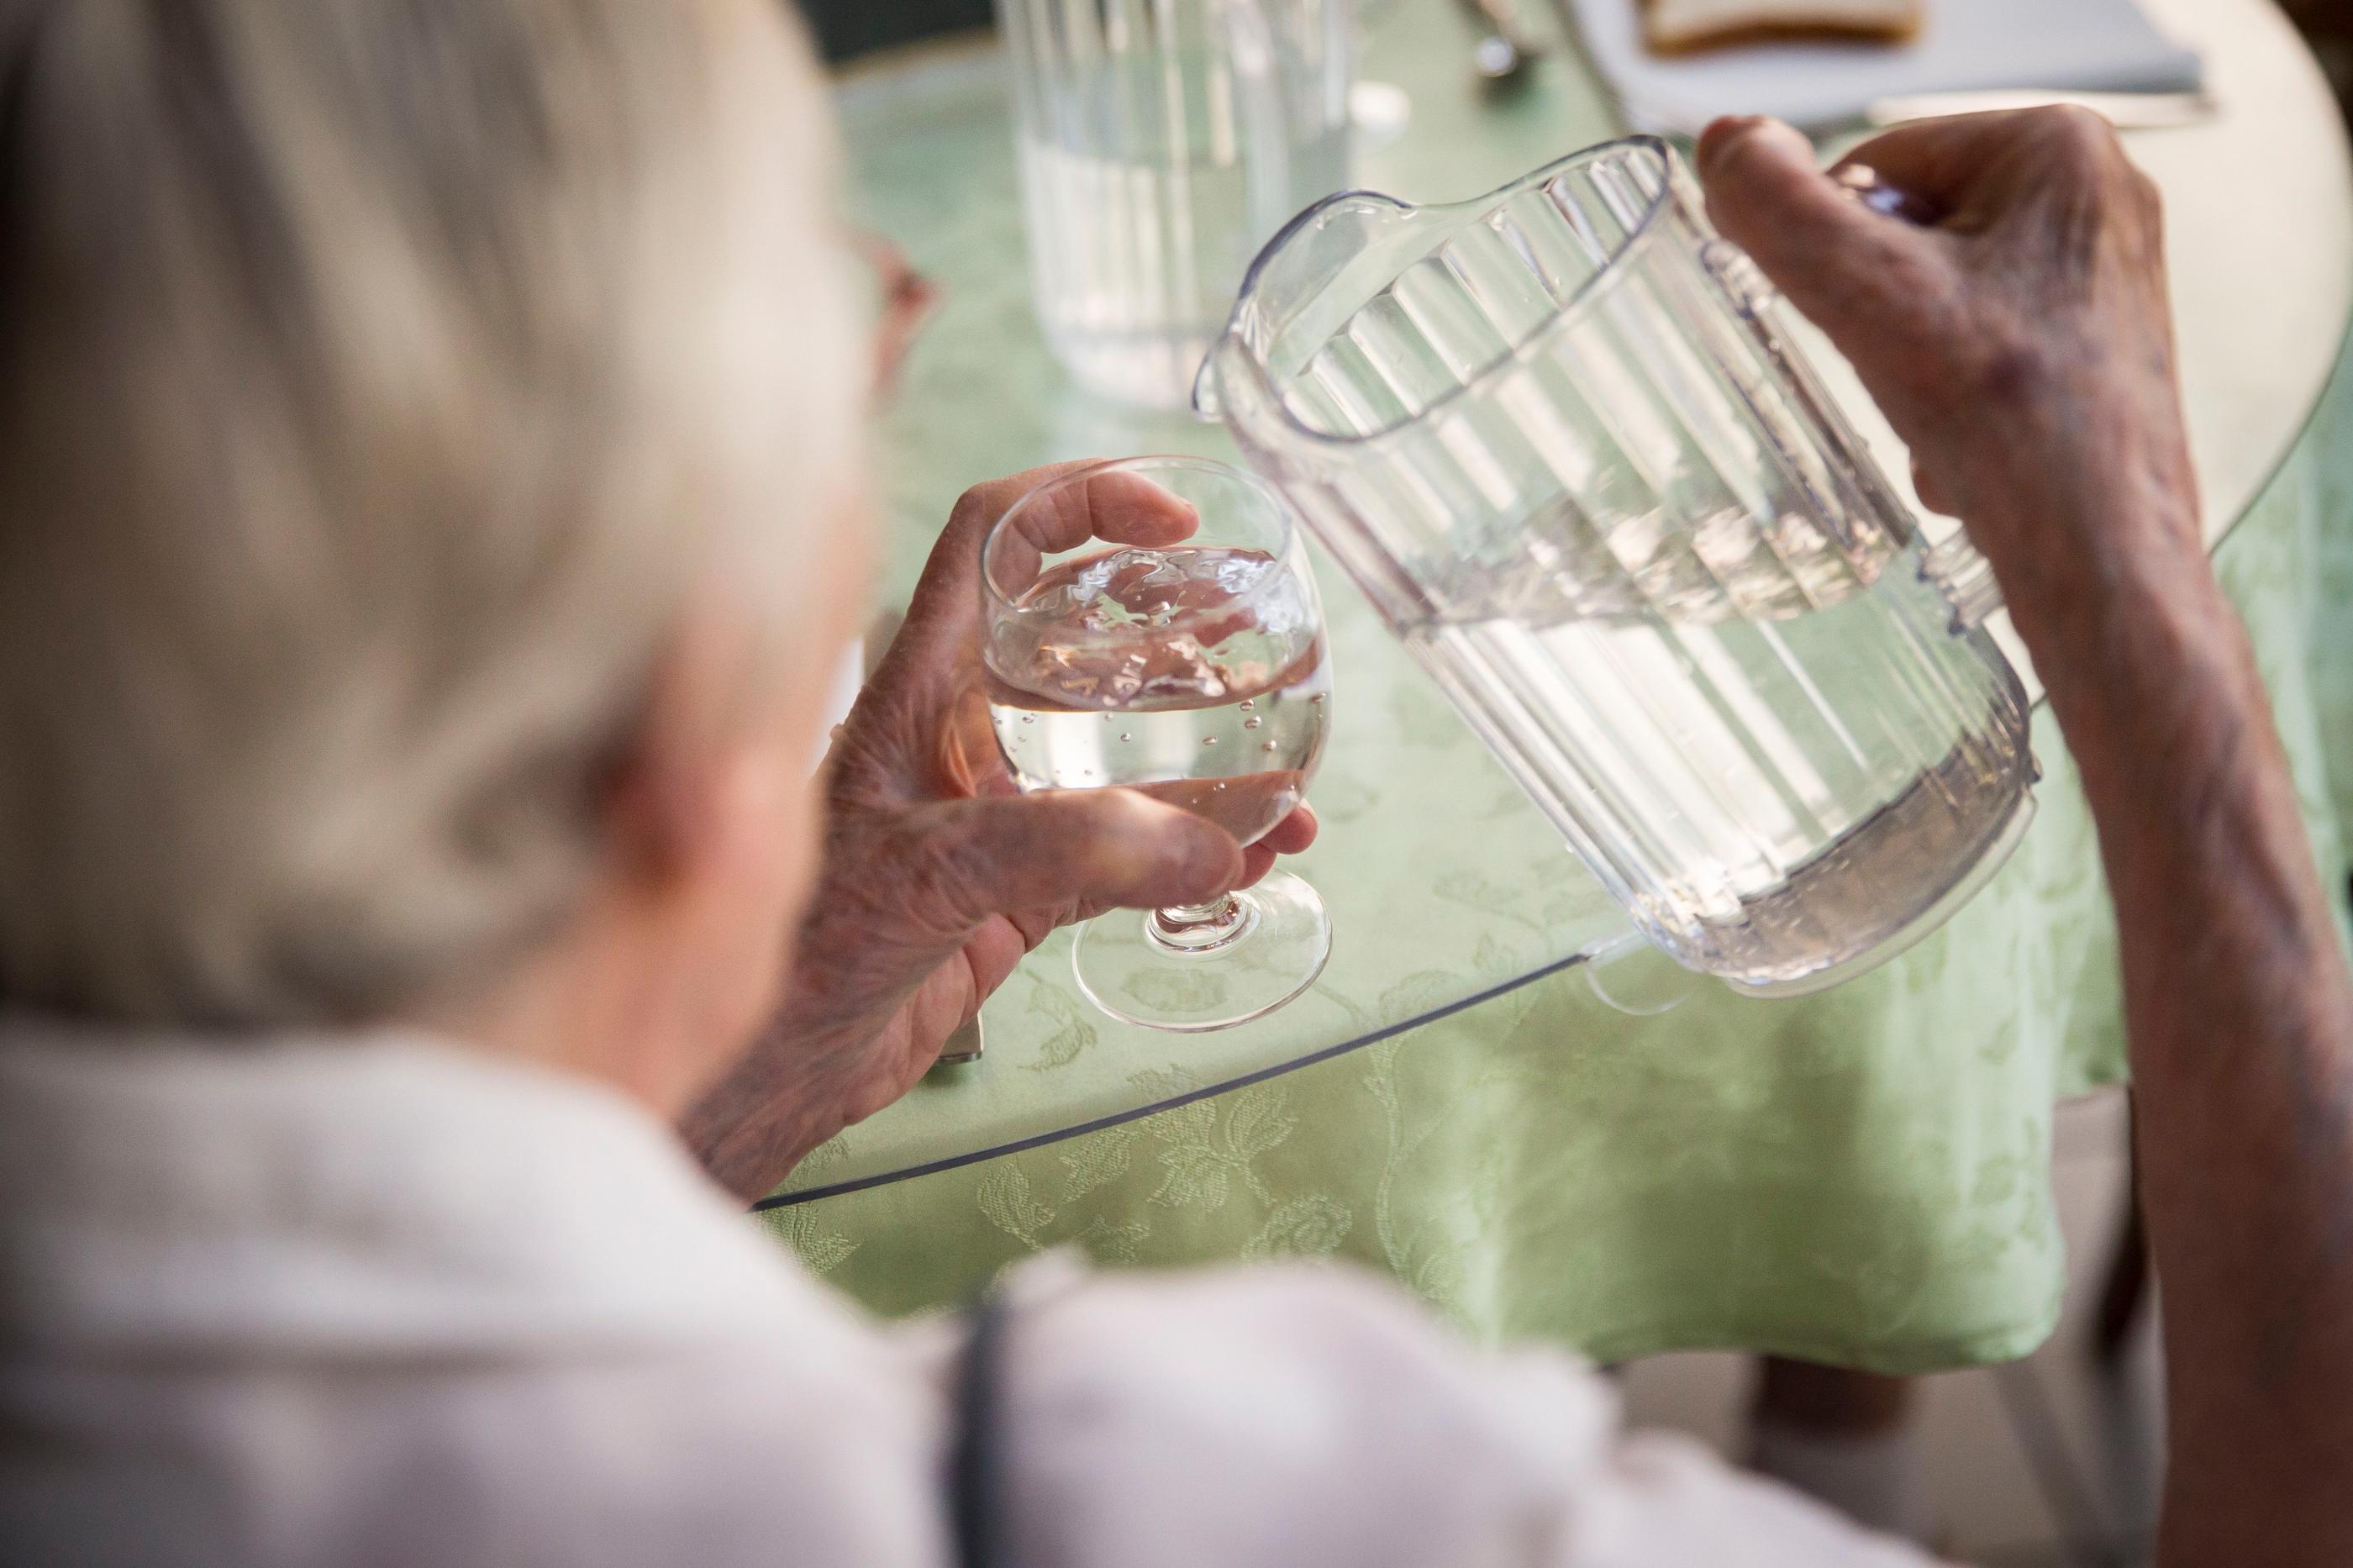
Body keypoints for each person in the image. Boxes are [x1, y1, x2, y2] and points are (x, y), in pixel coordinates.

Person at [0, 3, 2347, 1565]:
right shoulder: (1202, 1492)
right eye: (839, 318)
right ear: (674, 710)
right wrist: (2125, 561)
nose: (892, 335)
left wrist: (767, 1043)